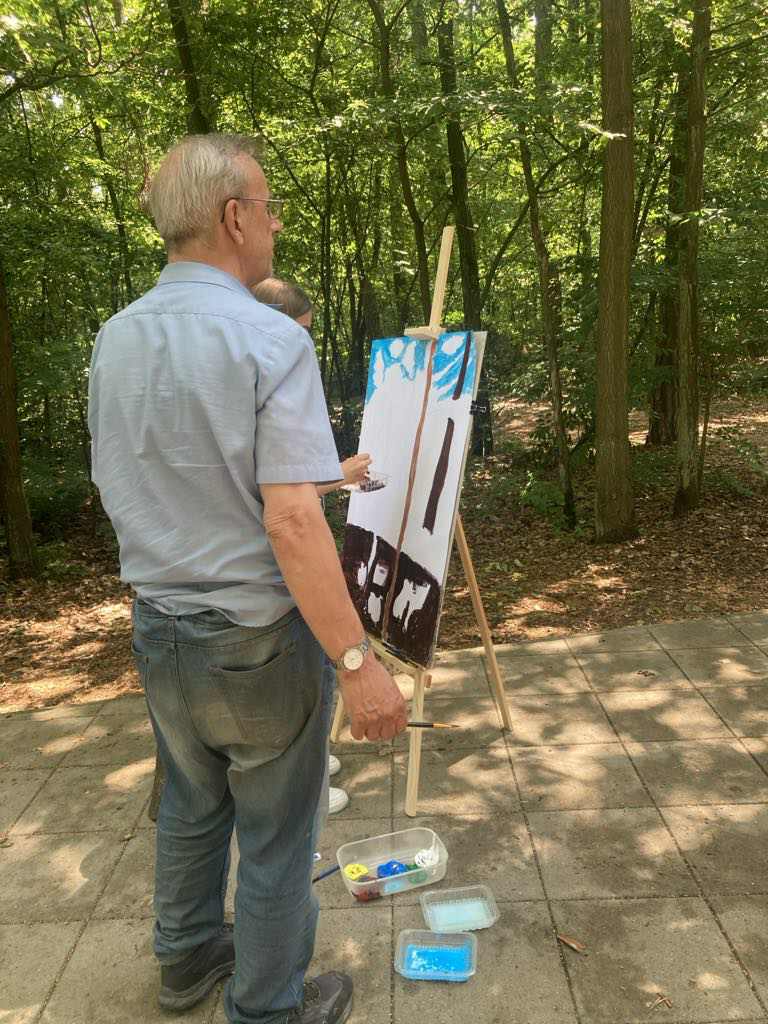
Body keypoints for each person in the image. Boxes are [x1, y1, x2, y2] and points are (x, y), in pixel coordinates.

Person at [88, 133, 407, 1024]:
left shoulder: (115, 337)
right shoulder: (268, 337)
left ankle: (186, 961)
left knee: (191, 806)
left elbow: (117, 479)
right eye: (269, 209)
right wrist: (357, 661)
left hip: (159, 625)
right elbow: (293, 518)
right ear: (234, 217)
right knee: (276, 833)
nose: (275, 225)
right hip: (256, 638)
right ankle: (267, 1009)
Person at [251, 277, 369, 816]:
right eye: (301, 331)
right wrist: (338, 476)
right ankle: (310, 785)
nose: (306, 344)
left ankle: (315, 762)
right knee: (297, 687)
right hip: (273, 579)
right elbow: (281, 503)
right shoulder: (268, 371)